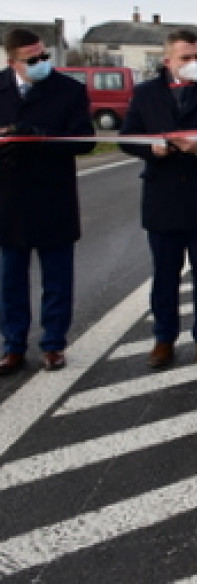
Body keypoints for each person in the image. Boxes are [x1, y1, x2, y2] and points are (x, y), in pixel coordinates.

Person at [120, 29, 197, 369]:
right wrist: (151, 148)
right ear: (167, 60)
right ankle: (164, 338)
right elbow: (127, 138)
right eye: (185, 58)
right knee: (164, 275)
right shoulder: (146, 94)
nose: (193, 64)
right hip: (164, 199)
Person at [0, 28, 94, 374]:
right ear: (12, 61)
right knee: (9, 278)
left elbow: (85, 141)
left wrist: (43, 140)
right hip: (8, 198)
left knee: (57, 277)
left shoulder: (69, 90)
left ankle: (54, 343)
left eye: (44, 56)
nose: (41, 63)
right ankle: (13, 345)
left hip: (53, 194)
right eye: (33, 59)